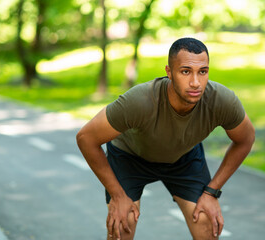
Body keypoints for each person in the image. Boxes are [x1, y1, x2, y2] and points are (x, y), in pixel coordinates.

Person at [76, 37, 255, 240]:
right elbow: (86, 138)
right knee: (122, 225)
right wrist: (117, 195)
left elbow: (246, 139)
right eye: (185, 71)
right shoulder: (140, 101)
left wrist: (211, 192)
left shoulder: (221, 101)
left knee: (206, 222)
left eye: (202, 72)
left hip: (183, 158)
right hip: (130, 157)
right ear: (169, 72)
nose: (195, 82)